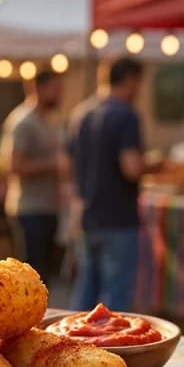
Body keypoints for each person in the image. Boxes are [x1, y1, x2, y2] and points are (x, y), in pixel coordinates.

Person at [68, 57, 148, 312]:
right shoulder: (126, 115)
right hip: (118, 217)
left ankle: (70, 348)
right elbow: (131, 167)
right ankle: (111, 350)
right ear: (130, 80)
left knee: (85, 294)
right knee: (115, 299)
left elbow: (66, 165)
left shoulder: (82, 113)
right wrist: (157, 166)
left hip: (89, 214)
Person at [1, 70, 64, 281]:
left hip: (47, 205)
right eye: (55, 88)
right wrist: (53, 166)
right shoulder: (23, 122)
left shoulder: (48, 120)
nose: (59, 94)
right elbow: (13, 165)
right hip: (30, 207)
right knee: (32, 273)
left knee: (45, 271)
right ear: (38, 88)